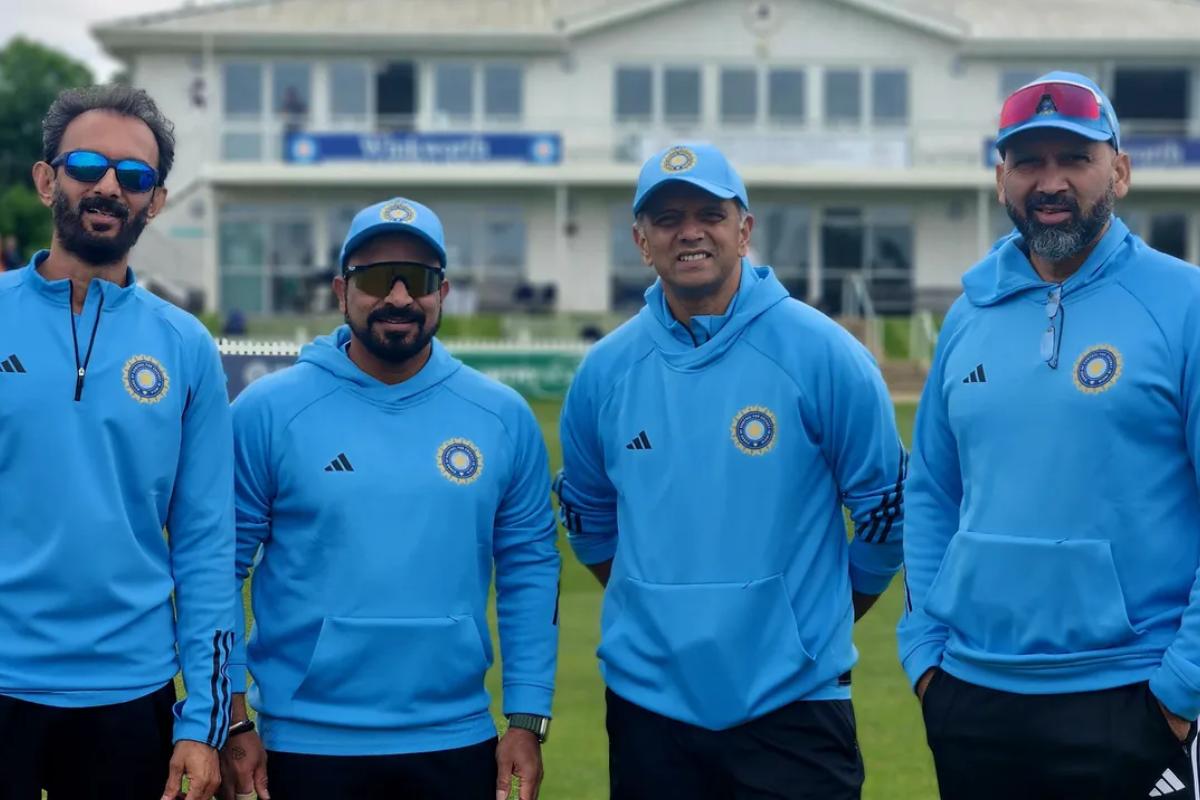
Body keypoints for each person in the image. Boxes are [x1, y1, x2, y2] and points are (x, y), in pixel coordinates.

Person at [554, 143, 907, 799]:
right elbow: (587, 518)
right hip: (648, 705)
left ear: (744, 230)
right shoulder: (605, 371)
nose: (689, 231)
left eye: (709, 213)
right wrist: (660, 609)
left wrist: (815, 621)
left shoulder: (824, 353)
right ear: (641, 240)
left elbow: (887, 512)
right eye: (667, 218)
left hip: (795, 702)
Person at [898, 71, 1200, 799]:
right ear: (1002, 177)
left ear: (1120, 172)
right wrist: (925, 657)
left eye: (1076, 158)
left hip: (1132, 696)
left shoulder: (1184, 303)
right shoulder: (968, 316)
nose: (1051, 181)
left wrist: (1180, 691)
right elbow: (933, 490)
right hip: (971, 693)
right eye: (1030, 161)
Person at [221, 197, 560, 800]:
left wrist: (527, 716)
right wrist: (231, 713)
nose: (399, 297)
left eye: (419, 280)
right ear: (340, 290)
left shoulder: (500, 416)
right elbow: (215, 569)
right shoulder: (267, 412)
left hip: (456, 739)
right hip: (302, 744)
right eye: (377, 279)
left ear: (444, 291)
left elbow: (530, 569)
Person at [0, 85, 234, 800]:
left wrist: (205, 722)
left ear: (155, 202)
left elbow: (205, 542)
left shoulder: (186, 346)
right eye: (86, 166)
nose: (107, 186)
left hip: (130, 694)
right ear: (47, 180)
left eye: (133, 177)